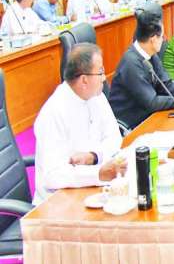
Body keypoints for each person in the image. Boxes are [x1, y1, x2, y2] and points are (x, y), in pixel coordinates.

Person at [32, 43, 127, 205]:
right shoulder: (53, 112)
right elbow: (53, 176)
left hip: (90, 188)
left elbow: (114, 138)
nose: (104, 78)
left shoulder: (97, 96)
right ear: (84, 80)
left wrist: (94, 156)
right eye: (100, 72)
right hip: (57, 202)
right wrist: (98, 173)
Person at [109, 12, 174, 130]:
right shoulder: (131, 63)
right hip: (133, 125)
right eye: (162, 36)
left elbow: (166, 85)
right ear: (153, 39)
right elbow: (152, 102)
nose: (164, 40)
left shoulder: (150, 54)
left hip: (150, 115)